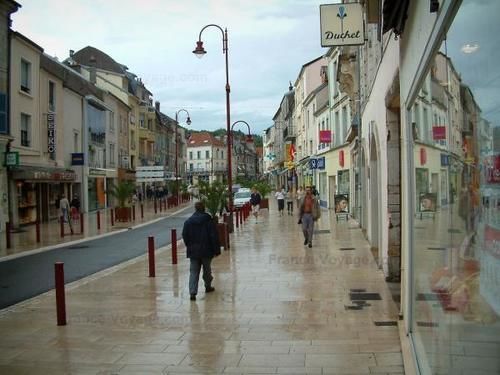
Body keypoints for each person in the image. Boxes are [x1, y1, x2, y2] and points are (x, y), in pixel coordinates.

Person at [182, 201, 221, 301]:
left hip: (193, 251)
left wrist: (189, 246)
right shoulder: (208, 221)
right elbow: (213, 236)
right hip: (206, 250)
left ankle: (192, 292)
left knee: (193, 271)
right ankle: (208, 286)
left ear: (195, 209)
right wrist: (216, 250)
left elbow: (185, 235)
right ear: (204, 209)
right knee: (207, 269)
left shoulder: (188, 222)